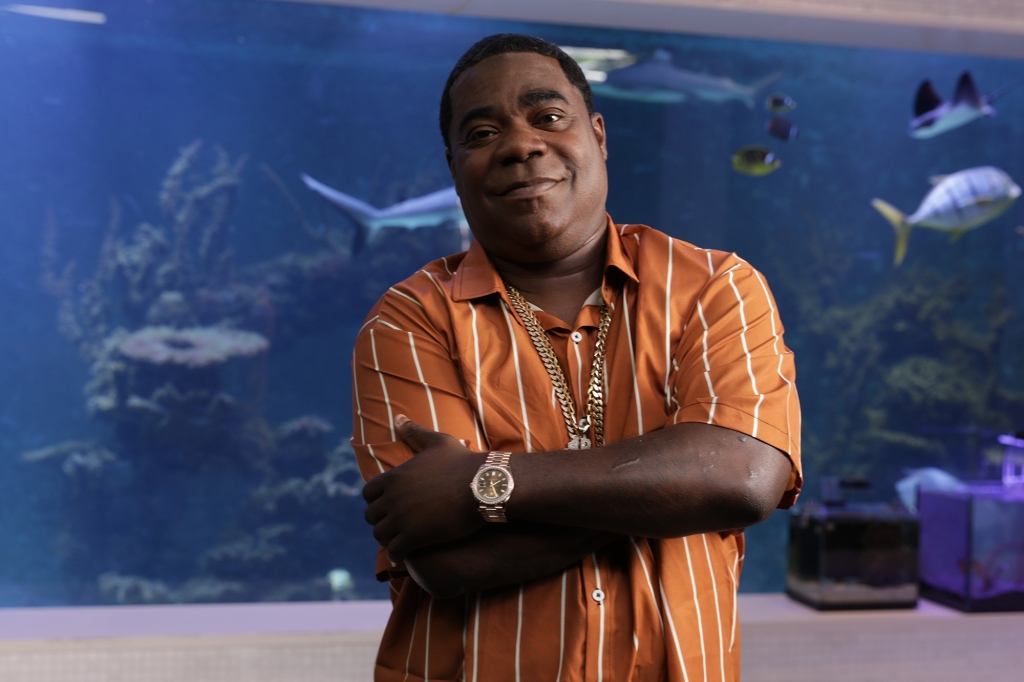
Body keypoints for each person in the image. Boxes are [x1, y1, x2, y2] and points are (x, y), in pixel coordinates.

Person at [352, 34, 801, 682]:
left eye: (548, 116)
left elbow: (743, 479)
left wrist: (481, 483)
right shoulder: (410, 318)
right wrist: (673, 487)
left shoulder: (716, 286)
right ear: (454, 169)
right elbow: (445, 561)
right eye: (481, 133)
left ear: (598, 135)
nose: (520, 144)